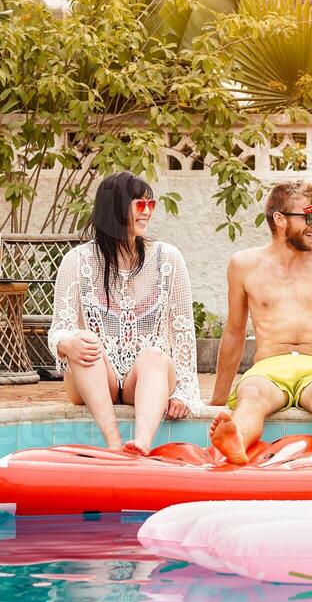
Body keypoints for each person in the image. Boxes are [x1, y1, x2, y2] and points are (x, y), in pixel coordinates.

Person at [207, 181, 312, 465]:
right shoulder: (244, 265)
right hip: (268, 368)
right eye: (308, 216)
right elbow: (234, 331)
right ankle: (237, 440)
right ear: (279, 219)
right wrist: (218, 396)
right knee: (251, 395)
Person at [48, 171, 200, 454]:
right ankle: (114, 442)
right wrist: (66, 344)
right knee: (84, 340)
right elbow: (59, 328)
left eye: (151, 205)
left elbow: (182, 332)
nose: (147, 213)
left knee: (154, 354)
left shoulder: (168, 258)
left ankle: (141, 442)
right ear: (115, 209)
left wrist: (183, 393)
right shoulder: (77, 261)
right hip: (93, 377)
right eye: (140, 205)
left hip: (144, 379)